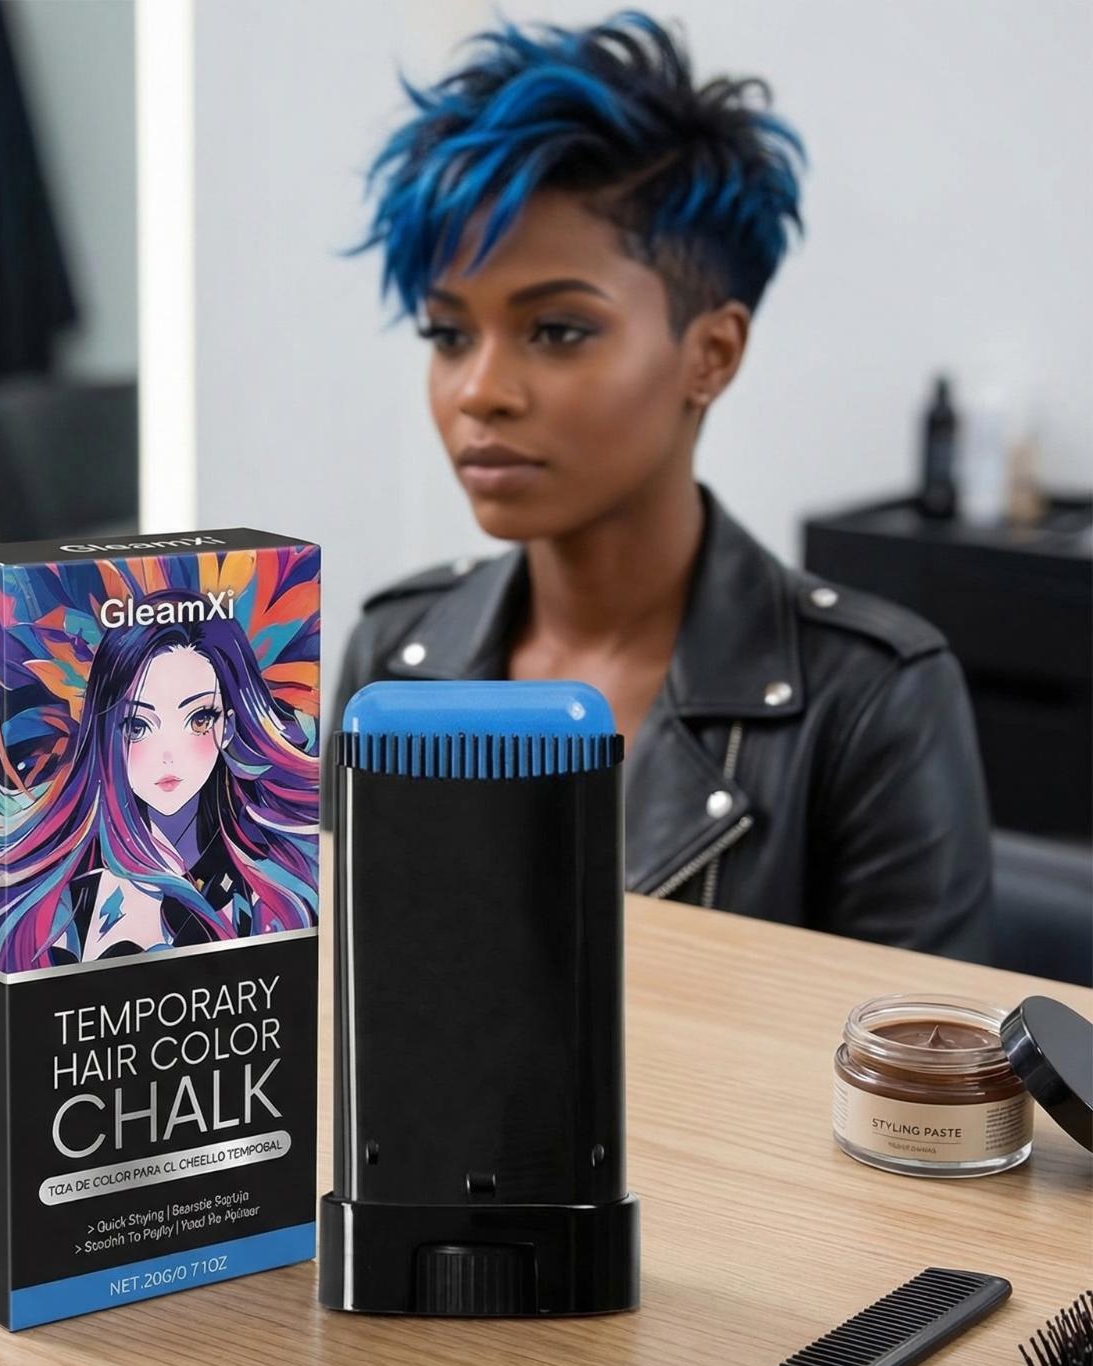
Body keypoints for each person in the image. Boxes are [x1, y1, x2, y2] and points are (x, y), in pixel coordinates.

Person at [331, 12, 992, 958]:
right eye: (448, 334)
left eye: (557, 330)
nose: (479, 390)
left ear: (710, 355)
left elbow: (916, 1052)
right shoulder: (398, 654)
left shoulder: (871, 699)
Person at [0, 589, 320, 968]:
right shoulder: (71, 905)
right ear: (109, 734)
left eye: (199, 719)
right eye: (138, 725)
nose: (168, 754)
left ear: (228, 727)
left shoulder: (269, 890)